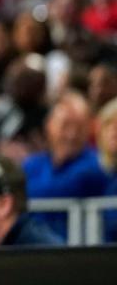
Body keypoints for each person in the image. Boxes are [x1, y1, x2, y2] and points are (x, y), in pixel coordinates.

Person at [22, 92, 110, 239]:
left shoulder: (97, 164)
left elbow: (57, 191)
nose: (72, 134)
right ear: (49, 125)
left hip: (77, 254)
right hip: (32, 250)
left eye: (80, 127)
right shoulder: (32, 165)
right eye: (65, 126)